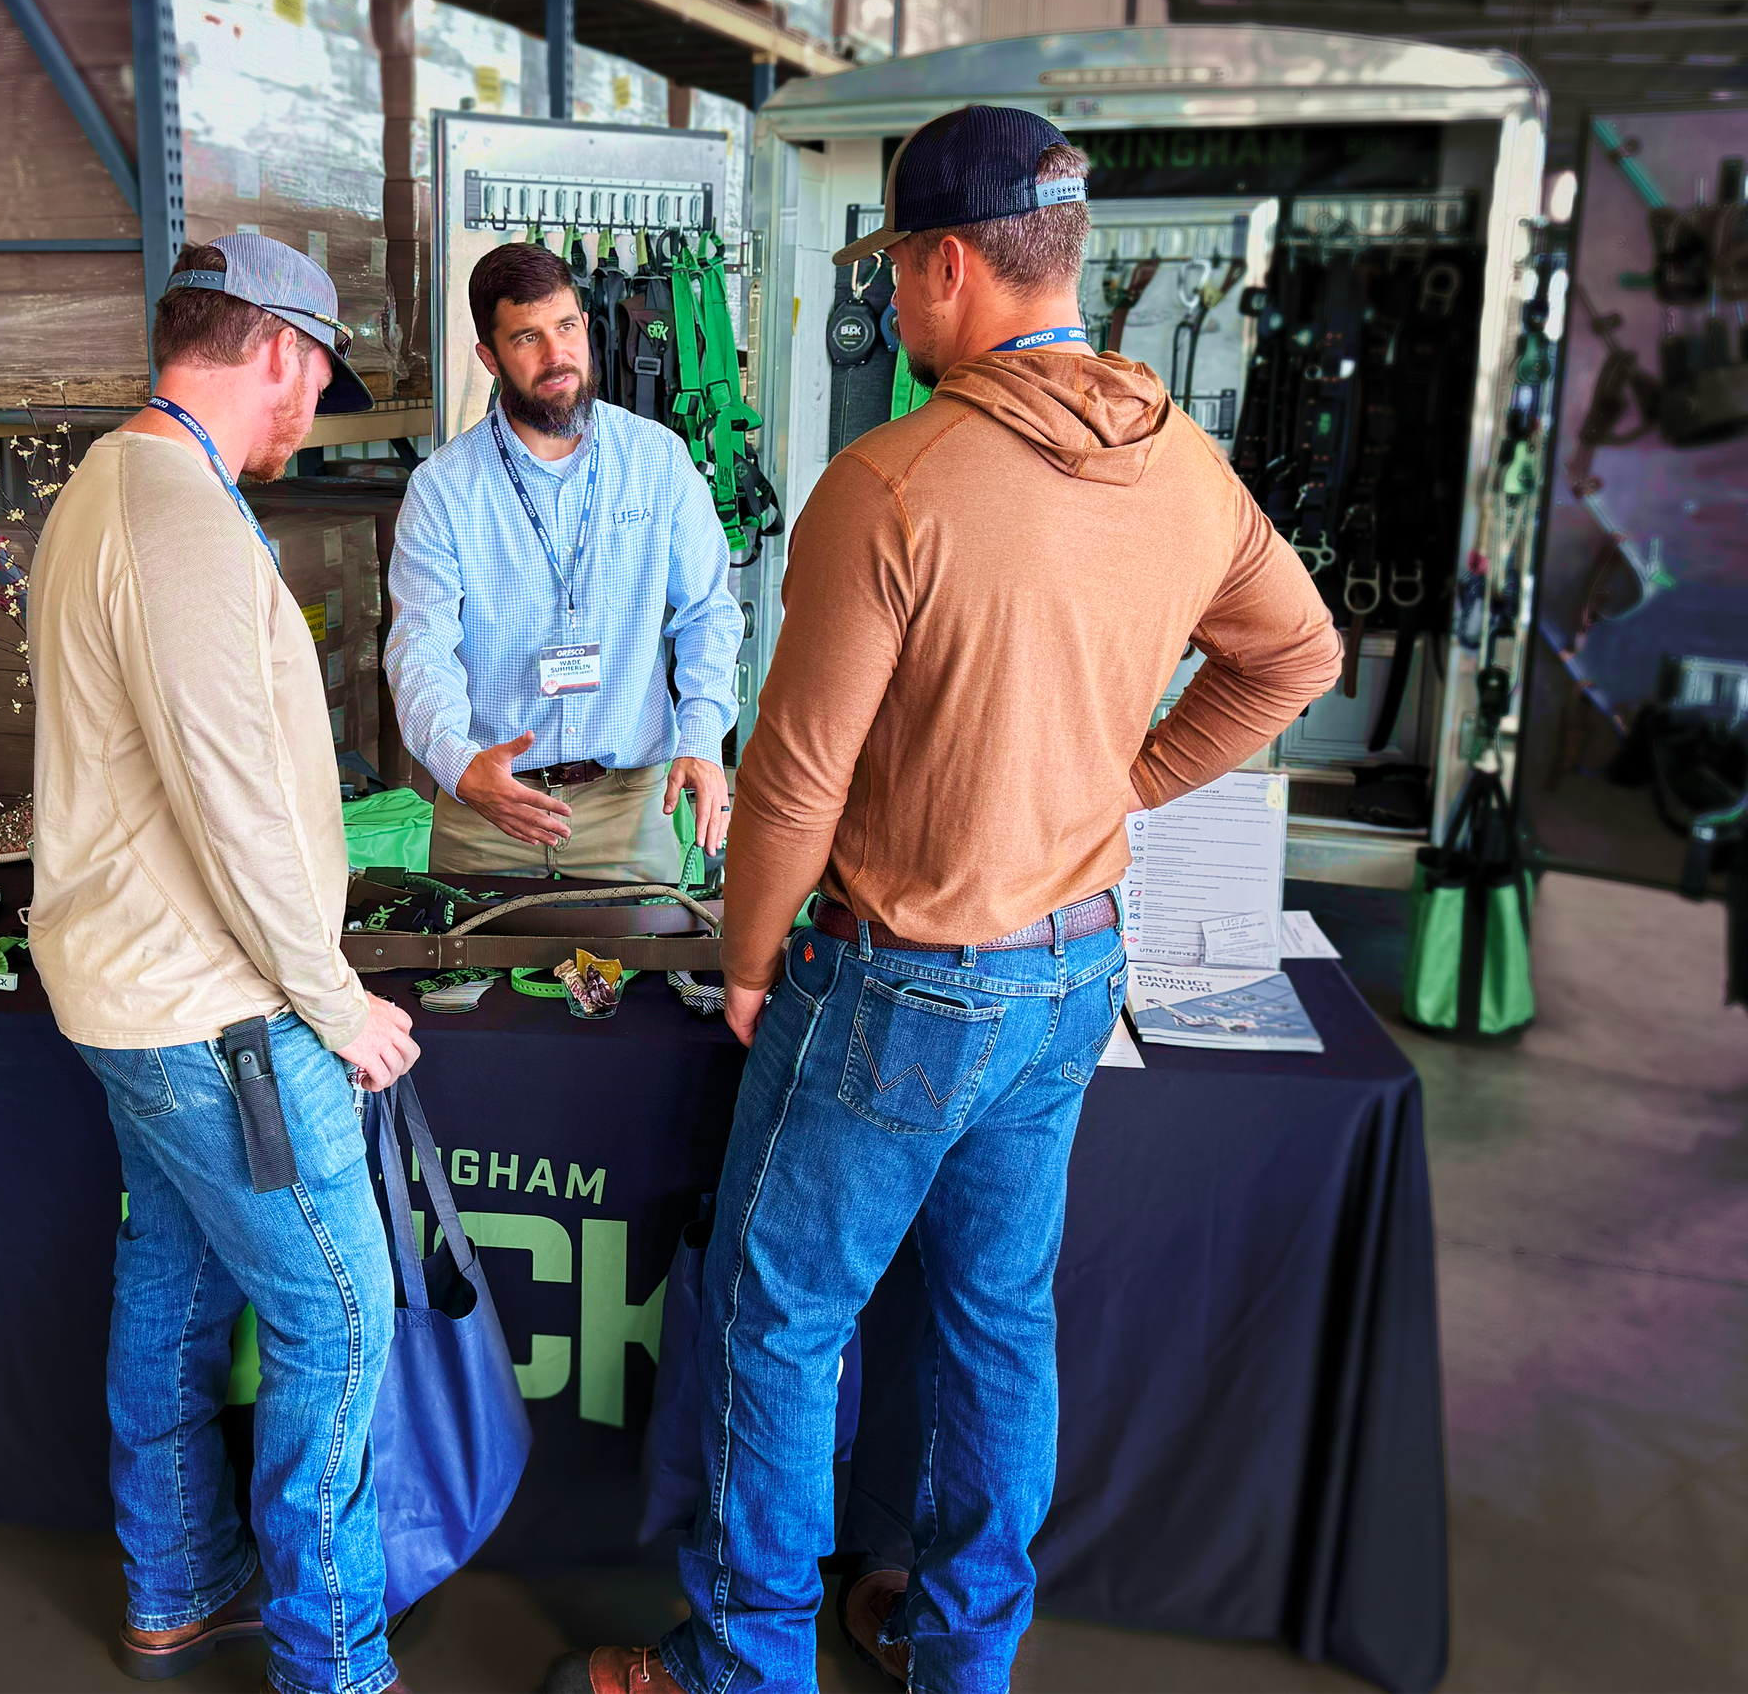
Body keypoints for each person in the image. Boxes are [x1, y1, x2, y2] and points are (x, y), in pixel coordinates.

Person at [551, 108, 1341, 1694]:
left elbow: (789, 781)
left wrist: (754, 957)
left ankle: (741, 1669)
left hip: (901, 975)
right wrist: (1122, 782)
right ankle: (963, 1657)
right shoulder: (1182, 463)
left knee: (776, 1327)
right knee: (994, 1322)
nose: (893, 308)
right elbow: (1300, 656)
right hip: (1069, 972)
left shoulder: (892, 478)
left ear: (952, 262)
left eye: (899, 273)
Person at [30, 233, 421, 1694]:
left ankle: (179, 1585)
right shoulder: (178, 517)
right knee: (338, 1313)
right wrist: (337, 1000)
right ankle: (338, 1665)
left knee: (181, 1289)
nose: (308, 414)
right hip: (220, 1017)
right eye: (315, 380)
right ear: (275, 346)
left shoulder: (108, 486)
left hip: (135, 997)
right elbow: (232, 799)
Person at [385, 241, 742, 883]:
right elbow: (420, 645)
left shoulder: (656, 462)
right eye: (528, 337)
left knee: (645, 984)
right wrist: (457, 763)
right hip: (487, 814)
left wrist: (700, 738)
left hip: (628, 809)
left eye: (568, 327)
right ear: (489, 359)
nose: (558, 357)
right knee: (465, 985)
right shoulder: (443, 488)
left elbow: (708, 614)